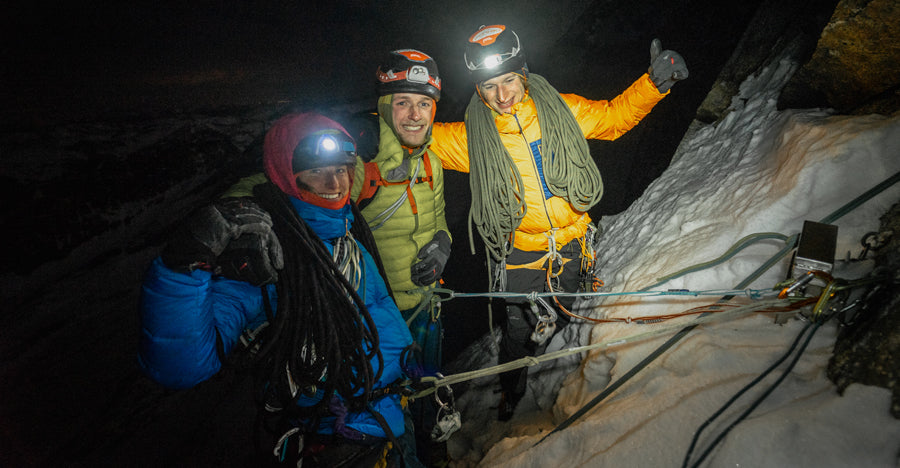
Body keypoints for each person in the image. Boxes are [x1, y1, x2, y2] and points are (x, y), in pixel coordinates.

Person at [429, 24, 689, 420]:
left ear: (523, 75)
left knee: (566, 308)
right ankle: (512, 388)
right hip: (519, 255)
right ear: (478, 91)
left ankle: (556, 331)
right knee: (518, 332)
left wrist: (652, 85)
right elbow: (416, 137)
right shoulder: (470, 138)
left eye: (509, 81)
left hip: (572, 243)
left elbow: (612, 118)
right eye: (489, 87)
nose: (502, 96)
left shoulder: (560, 111)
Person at [138, 112, 424, 467]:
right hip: (338, 440)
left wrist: (406, 367)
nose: (333, 182)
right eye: (315, 172)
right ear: (287, 177)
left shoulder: (349, 235)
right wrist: (182, 265)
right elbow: (181, 366)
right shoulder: (267, 258)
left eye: (340, 169)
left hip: (390, 418)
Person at [226, 50, 452, 465]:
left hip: (424, 309)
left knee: (422, 399)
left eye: (424, 104)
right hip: (369, 320)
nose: (415, 115)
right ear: (385, 108)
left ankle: (430, 447)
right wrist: (234, 215)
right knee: (382, 416)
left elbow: (439, 221)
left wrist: (443, 243)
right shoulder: (361, 160)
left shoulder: (433, 163)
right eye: (402, 102)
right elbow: (279, 179)